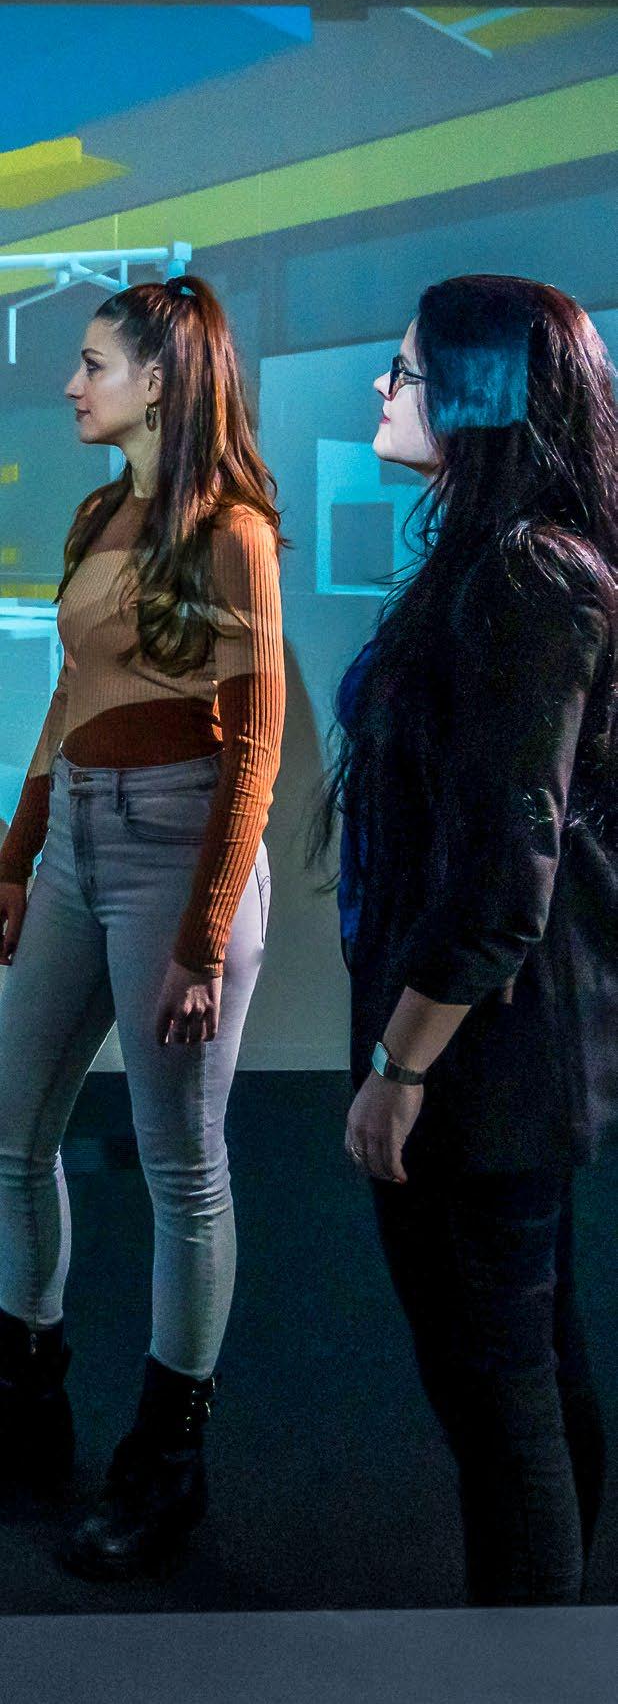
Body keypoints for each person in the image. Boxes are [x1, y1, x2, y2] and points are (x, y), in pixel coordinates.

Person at [308, 273, 617, 1608]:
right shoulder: (503, 565)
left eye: (406, 370)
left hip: (482, 1065)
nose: (382, 388)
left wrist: (401, 1067)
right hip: (488, 1052)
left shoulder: (531, 578)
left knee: (499, 1403)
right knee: (523, 1374)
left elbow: (504, 870)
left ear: (479, 395)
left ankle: (527, 1666)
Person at [0, 272, 286, 1580]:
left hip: (179, 853)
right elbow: (68, 700)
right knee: (12, 1129)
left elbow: (256, 750)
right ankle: (28, 1395)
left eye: (94, 363)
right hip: (76, 844)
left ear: (162, 380)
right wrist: (17, 859)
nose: (72, 384)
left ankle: (167, 1462)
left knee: (182, 1166)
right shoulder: (97, 513)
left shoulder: (232, 533)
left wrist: (202, 934)